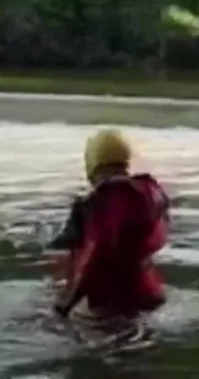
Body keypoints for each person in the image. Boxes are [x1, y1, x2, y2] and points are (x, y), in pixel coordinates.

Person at [52, 128, 171, 320]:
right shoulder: (150, 192)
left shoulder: (100, 202)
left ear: (92, 163)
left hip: (113, 303)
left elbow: (91, 256)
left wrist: (66, 303)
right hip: (150, 293)